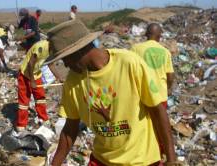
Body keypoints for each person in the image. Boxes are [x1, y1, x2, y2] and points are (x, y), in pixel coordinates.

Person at [44, 20, 179, 165]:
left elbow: (158, 111)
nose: (65, 64)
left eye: (65, 58)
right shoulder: (73, 80)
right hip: (102, 159)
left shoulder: (129, 63)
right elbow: (70, 128)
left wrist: (171, 160)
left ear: (78, 51)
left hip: (140, 160)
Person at [16, 40, 62, 132]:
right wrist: (32, 81)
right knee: (24, 101)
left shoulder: (51, 49)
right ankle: (21, 124)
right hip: (25, 75)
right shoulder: (41, 47)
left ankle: (43, 118)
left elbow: (50, 63)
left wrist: (58, 77)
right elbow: (30, 64)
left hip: (36, 74)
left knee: (40, 97)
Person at [131, 23, 175, 109]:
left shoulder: (135, 48)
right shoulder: (166, 52)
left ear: (146, 34)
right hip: (160, 96)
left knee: (143, 122)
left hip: (141, 95)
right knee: (158, 122)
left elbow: (130, 71)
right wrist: (168, 89)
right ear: (159, 35)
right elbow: (170, 76)